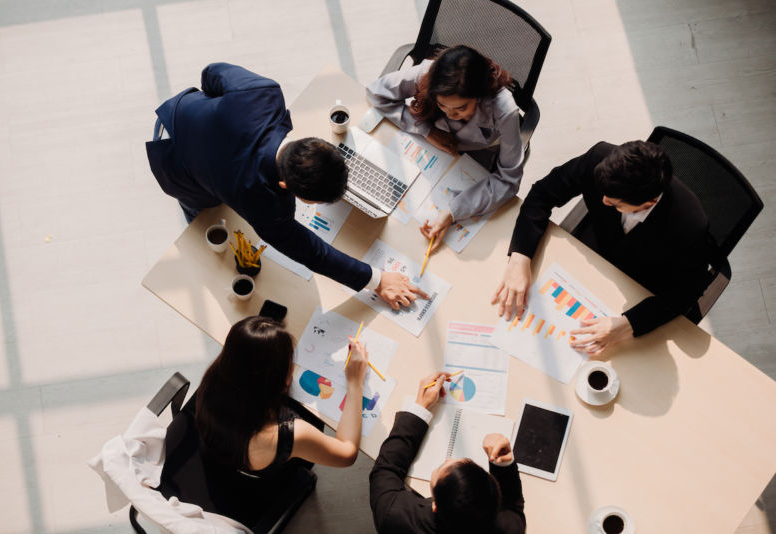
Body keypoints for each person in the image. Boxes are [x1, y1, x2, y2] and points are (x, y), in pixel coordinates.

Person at [146, 62, 426, 309]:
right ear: (284, 185)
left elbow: (212, 72)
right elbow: (312, 253)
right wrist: (376, 280)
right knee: (203, 213)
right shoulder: (263, 204)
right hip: (172, 161)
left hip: (182, 114)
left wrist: (215, 113)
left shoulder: (263, 94)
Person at [491, 140, 715, 356]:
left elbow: (686, 292)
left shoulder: (690, 225)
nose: (604, 201)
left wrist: (628, 324)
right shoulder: (600, 158)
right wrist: (520, 257)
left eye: (615, 202)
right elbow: (543, 193)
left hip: (642, 284)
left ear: (648, 203)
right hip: (595, 260)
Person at [190, 316, 368, 524]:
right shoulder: (287, 435)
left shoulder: (217, 376)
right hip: (259, 484)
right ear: (282, 381)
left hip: (221, 450)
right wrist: (355, 383)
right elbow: (347, 453)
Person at [367, 45, 524, 252]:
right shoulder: (428, 74)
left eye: (461, 108)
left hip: (474, 153)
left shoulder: (504, 110)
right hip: (431, 150)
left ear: (479, 95)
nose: (451, 114)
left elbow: (508, 180)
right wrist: (426, 131)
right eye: (442, 106)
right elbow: (376, 92)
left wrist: (453, 212)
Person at [369, 372, 526, 534]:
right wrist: (504, 465)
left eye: (441, 468)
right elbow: (513, 508)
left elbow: (385, 470)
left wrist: (420, 407)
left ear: (435, 505)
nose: (450, 458)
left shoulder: (393, 516)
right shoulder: (509, 530)